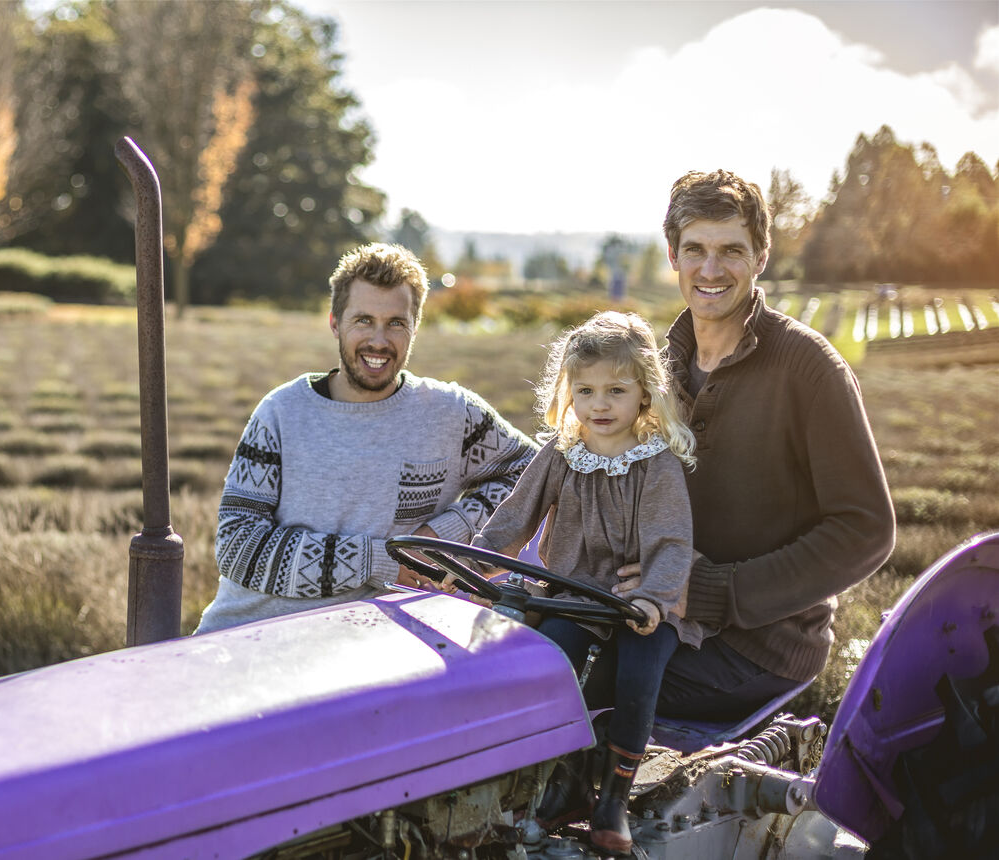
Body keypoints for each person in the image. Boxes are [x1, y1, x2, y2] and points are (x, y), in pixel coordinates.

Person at [615, 169, 896, 727]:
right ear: (673, 255)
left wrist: (714, 592)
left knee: (574, 696)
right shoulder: (656, 368)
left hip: (759, 648)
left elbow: (866, 531)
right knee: (529, 662)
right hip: (660, 615)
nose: (711, 269)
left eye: (732, 251)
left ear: (761, 256)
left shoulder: (810, 369)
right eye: (695, 248)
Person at [194, 242, 538, 634]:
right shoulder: (281, 414)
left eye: (396, 323)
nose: (379, 340)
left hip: (375, 645)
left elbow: (531, 475)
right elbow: (237, 548)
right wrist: (383, 560)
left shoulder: (451, 412)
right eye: (363, 320)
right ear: (335, 323)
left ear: (415, 327)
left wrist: (438, 539)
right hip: (251, 634)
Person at [471, 310, 702, 856]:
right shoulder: (561, 453)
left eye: (616, 390)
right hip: (575, 596)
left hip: (641, 602)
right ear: (568, 392)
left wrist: (652, 597)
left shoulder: (657, 464)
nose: (600, 405)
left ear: (644, 393)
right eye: (587, 390)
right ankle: (559, 777)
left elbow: (672, 544)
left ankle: (614, 795)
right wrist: (477, 563)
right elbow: (513, 517)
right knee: (550, 657)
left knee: (639, 673)